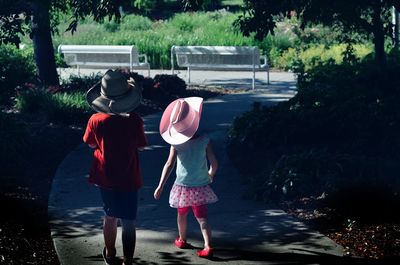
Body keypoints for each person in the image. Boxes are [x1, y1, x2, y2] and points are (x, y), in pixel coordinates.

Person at [83, 69, 147, 265]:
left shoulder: (95, 120)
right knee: (128, 221)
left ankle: (110, 254)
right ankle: (128, 259)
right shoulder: (134, 120)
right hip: (129, 176)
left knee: (110, 217)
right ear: (127, 96)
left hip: (106, 177)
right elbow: (141, 146)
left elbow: (91, 143)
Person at [154, 97, 218, 258]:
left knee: (181, 214)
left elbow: (169, 165)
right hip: (200, 186)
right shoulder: (204, 140)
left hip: (182, 186)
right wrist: (210, 175)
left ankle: (182, 239)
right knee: (202, 217)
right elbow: (214, 163)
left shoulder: (176, 144)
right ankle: (208, 245)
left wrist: (160, 185)